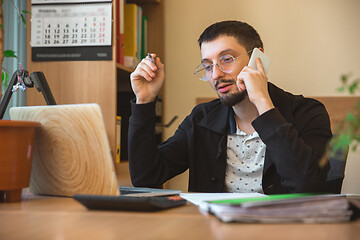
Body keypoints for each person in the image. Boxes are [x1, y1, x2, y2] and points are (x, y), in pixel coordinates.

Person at [128, 20, 332, 194]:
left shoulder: (308, 112)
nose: (215, 74)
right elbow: (146, 177)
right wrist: (144, 100)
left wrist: (263, 103)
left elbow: (309, 186)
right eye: (208, 66)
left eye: (226, 60)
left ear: (257, 58)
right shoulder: (201, 119)